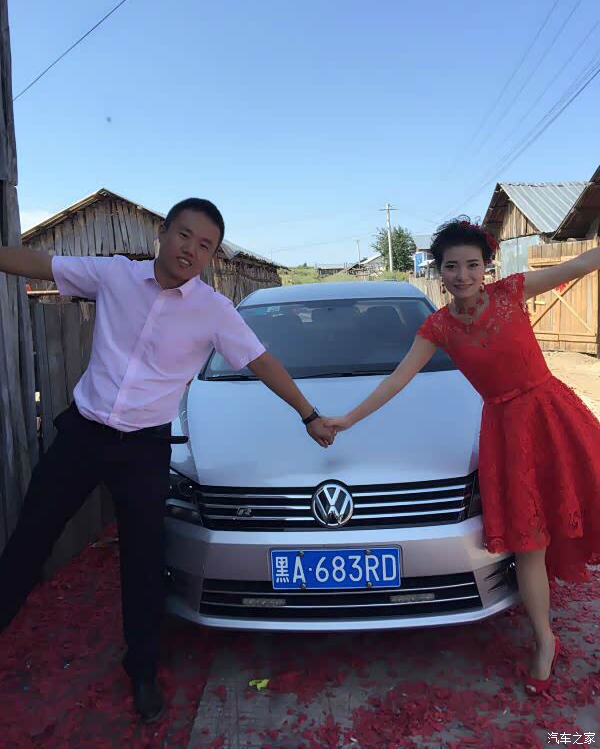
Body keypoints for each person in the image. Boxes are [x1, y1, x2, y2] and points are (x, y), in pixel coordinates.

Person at [0, 198, 335, 722]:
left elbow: (262, 361)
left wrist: (308, 414)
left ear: (211, 256)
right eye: (184, 235)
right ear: (163, 233)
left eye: (205, 246)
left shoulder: (214, 310)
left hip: (144, 450)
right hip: (82, 436)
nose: (190, 250)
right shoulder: (114, 275)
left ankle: (142, 670)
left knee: (142, 561)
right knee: (31, 537)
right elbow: (41, 263)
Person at [325, 218, 600, 696]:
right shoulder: (438, 327)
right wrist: (348, 419)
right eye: (451, 266)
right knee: (528, 544)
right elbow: (397, 380)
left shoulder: (513, 292)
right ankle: (544, 640)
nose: (463, 275)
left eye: (472, 264)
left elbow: (582, 263)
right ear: (439, 271)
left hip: (552, 416)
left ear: (487, 266)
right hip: (506, 435)